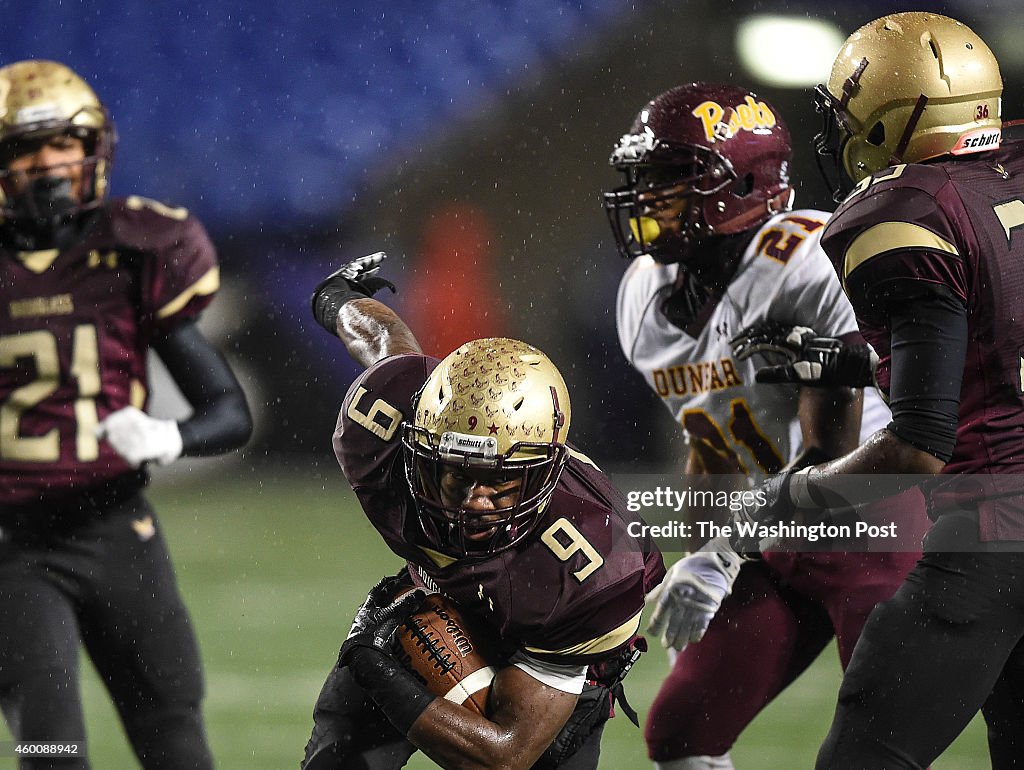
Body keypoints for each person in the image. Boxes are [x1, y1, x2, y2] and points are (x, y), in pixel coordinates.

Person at [604, 82, 925, 769]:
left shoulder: (810, 258)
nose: (648, 200)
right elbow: (712, 443)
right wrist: (700, 552)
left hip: (877, 519)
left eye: (670, 181)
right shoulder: (643, 293)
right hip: (776, 532)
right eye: (646, 181)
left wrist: (723, 552)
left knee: (875, 744)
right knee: (682, 729)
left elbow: (826, 449)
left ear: (745, 181)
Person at [301, 253, 665, 770]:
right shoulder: (383, 430)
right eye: (456, 472)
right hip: (437, 599)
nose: (474, 499)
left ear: (541, 473)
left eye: (499, 482)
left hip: (547, 653)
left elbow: (506, 755)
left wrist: (372, 661)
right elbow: (388, 348)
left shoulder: (590, 560)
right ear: (420, 447)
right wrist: (334, 298)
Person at [0, 60, 253, 769]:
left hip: (118, 529)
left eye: (64, 143)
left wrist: (169, 436)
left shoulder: (133, 249)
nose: (49, 164)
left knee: (175, 739)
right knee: (51, 750)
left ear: (93, 150)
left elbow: (229, 413)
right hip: (10, 548)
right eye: (26, 148)